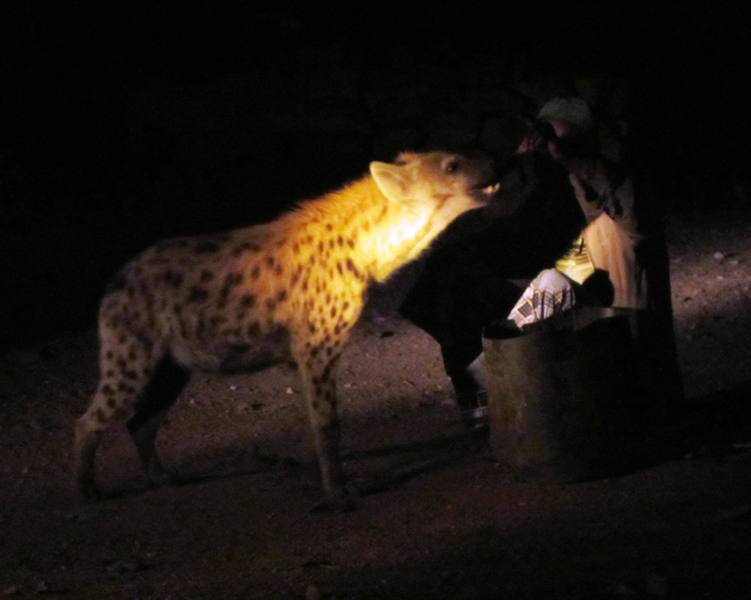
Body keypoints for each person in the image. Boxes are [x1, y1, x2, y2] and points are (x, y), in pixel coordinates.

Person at [401, 96, 683, 429]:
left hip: (591, 272)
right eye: (540, 127)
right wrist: (520, 165)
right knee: (446, 276)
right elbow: (498, 221)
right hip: (554, 259)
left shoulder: (603, 169)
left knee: (503, 293)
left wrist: (568, 159)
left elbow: (621, 224)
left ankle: (488, 379)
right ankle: (477, 384)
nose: (542, 136)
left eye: (552, 129)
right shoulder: (540, 169)